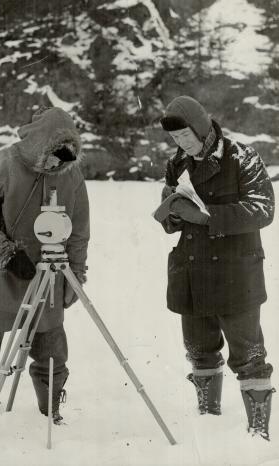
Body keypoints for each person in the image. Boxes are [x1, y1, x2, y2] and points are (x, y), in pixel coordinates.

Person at [0, 107, 90, 450]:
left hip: (47, 276)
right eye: (52, 159)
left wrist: (76, 272)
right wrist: (6, 253)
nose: (56, 167)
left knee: (51, 350)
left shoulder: (72, 175)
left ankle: (52, 413)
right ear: (39, 146)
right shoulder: (2, 164)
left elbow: (79, 230)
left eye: (63, 161)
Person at [159, 95, 275, 440]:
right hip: (192, 271)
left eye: (185, 136)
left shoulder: (242, 156)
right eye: (175, 139)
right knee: (199, 349)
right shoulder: (177, 162)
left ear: (202, 128)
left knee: (250, 355)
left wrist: (208, 215)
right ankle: (208, 420)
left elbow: (264, 209)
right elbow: (171, 215)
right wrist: (172, 215)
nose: (180, 144)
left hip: (236, 275)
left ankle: (258, 430)